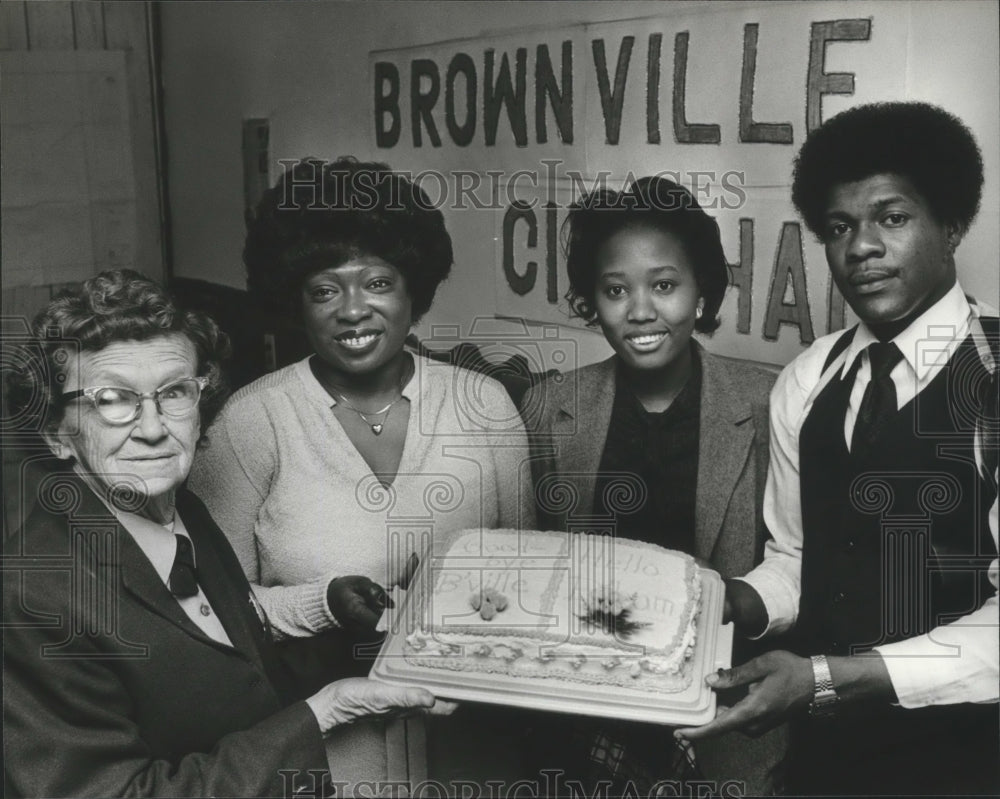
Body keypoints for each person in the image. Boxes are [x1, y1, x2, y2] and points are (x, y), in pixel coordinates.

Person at [2, 270, 446, 798]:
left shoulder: (182, 509)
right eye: (111, 400)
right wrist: (321, 715)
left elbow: (236, 677)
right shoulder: (32, 595)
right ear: (57, 434)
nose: (151, 428)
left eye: (174, 392)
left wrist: (352, 630)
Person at [676, 102, 999, 796]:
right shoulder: (809, 377)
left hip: (967, 765)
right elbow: (797, 558)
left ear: (951, 224)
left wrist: (825, 677)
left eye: (892, 217)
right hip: (824, 761)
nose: (861, 248)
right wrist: (724, 601)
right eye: (840, 227)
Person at [187, 157, 534, 785]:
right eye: (325, 290)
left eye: (377, 283)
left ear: (412, 291)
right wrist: (325, 604)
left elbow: (530, 580)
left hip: (475, 748)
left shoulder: (483, 405)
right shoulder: (250, 423)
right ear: (296, 301)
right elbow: (218, 618)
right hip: (328, 755)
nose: (353, 310)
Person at [520, 176, 786, 795]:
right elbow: (530, 568)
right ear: (593, 300)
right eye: (615, 290)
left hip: (726, 723)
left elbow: (793, 566)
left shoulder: (768, 404)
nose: (639, 310)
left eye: (664, 286)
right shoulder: (552, 408)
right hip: (585, 723)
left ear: (701, 294)